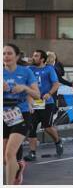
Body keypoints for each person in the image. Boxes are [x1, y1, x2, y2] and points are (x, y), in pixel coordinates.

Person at [3, 44, 40, 184]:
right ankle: (18, 167)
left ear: (17, 56)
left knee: (10, 153)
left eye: (9, 53)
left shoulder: (26, 72)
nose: (6, 56)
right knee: (4, 158)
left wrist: (24, 88)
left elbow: (37, 95)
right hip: (4, 116)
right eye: (4, 54)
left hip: (21, 115)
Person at [24, 50, 64, 161]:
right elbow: (25, 86)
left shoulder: (49, 69)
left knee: (47, 127)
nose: (33, 57)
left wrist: (49, 93)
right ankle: (32, 153)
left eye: (36, 56)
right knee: (31, 127)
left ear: (42, 59)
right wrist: (29, 100)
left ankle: (58, 141)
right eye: (33, 55)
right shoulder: (29, 69)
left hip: (47, 103)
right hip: (34, 103)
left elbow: (56, 84)